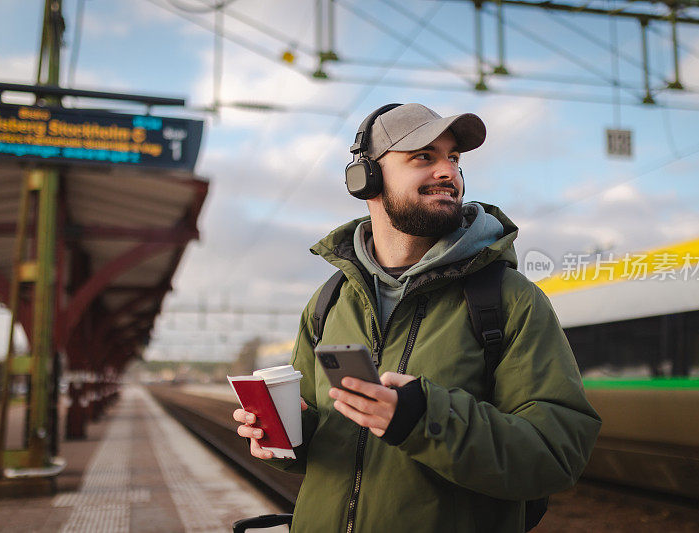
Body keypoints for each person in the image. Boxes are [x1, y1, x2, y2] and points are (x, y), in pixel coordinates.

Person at [233, 103, 601, 532]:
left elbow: (556, 455)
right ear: (365, 178)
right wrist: (286, 437)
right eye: (424, 157)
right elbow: (328, 451)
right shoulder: (329, 301)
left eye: (455, 159)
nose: (449, 172)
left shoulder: (509, 301)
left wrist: (424, 419)